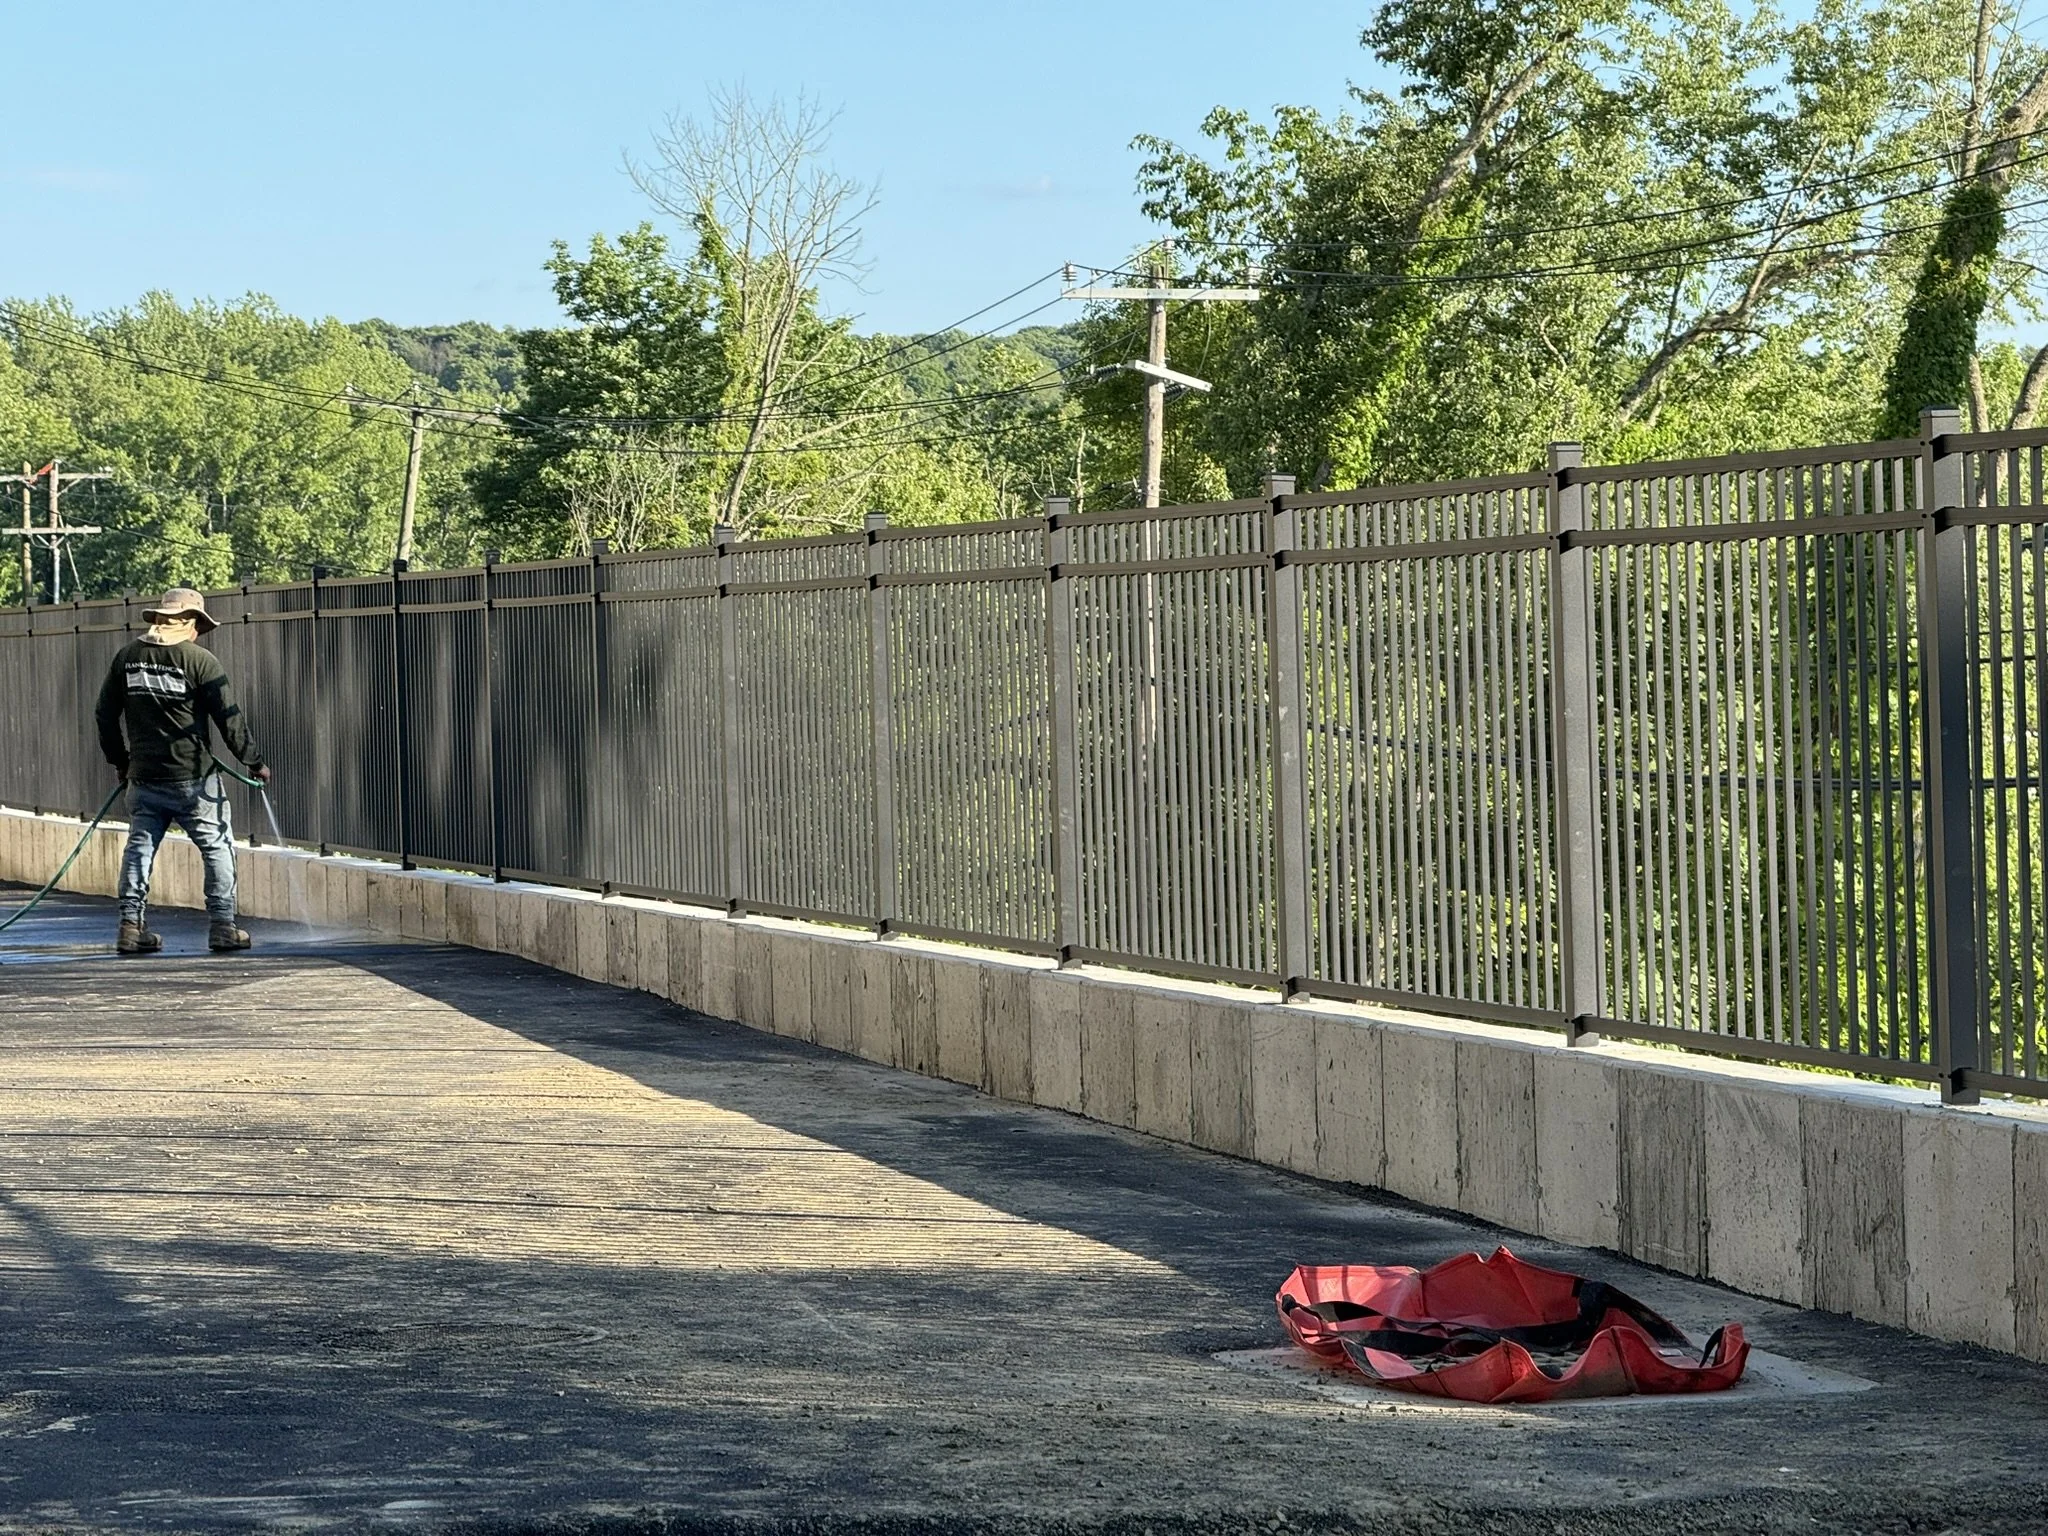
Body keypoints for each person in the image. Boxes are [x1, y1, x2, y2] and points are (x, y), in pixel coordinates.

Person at [94, 587, 272, 955]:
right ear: (189, 622)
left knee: (139, 849)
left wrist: (121, 762)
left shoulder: (127, 657)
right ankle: (223, 927)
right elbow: (229, 719)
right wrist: (253, 762)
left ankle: (130, 927)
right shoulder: (199, 661)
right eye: (198, 627)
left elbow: (104, 714)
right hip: (195, 781)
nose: (198, 634)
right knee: (217, 846)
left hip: (144, 778)